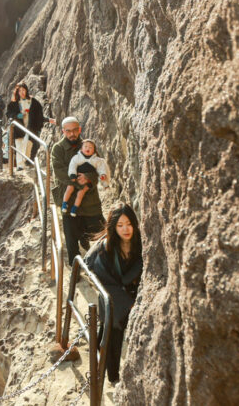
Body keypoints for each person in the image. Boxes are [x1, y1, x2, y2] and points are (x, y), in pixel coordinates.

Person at [85, 205, 142, 384]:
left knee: (107, 332)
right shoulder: (105, 248)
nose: (126, 229)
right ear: (113, 227)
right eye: (120, 225)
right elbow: (101, 278)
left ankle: (100, 365)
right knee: (112, 332)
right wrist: (127, 302)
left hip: (129, 293)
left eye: (129, 224)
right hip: (112, 295)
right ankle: (112, 376)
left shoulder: (140, 243)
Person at [51, 117, 105, 264]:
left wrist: (88, 177)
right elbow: (59, 172)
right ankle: (75, 272)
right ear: (63, 131)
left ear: (79, 129)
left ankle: (102, 267)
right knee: (71, 241)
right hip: (69, 202)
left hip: (90, 201)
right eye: (68, 131)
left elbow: (99, 167)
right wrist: (80, 182)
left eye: (75, 130)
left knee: (102, 234)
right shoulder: (58, 148)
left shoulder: (88, 145)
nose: (72, 134)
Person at [63, 139, 110, 216]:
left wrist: (103, 176)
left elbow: (102, 169)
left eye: (90, 147)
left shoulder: (96, 160)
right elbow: (72, 165)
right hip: (77, 177)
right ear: (81, 149)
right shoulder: (77, 157)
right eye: (86, 147)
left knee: (81, 193)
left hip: (88, 181)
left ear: (94, 150)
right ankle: (64, 203)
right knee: (70, 187)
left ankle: (74, 208)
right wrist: (72, 174)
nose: (88, 148)